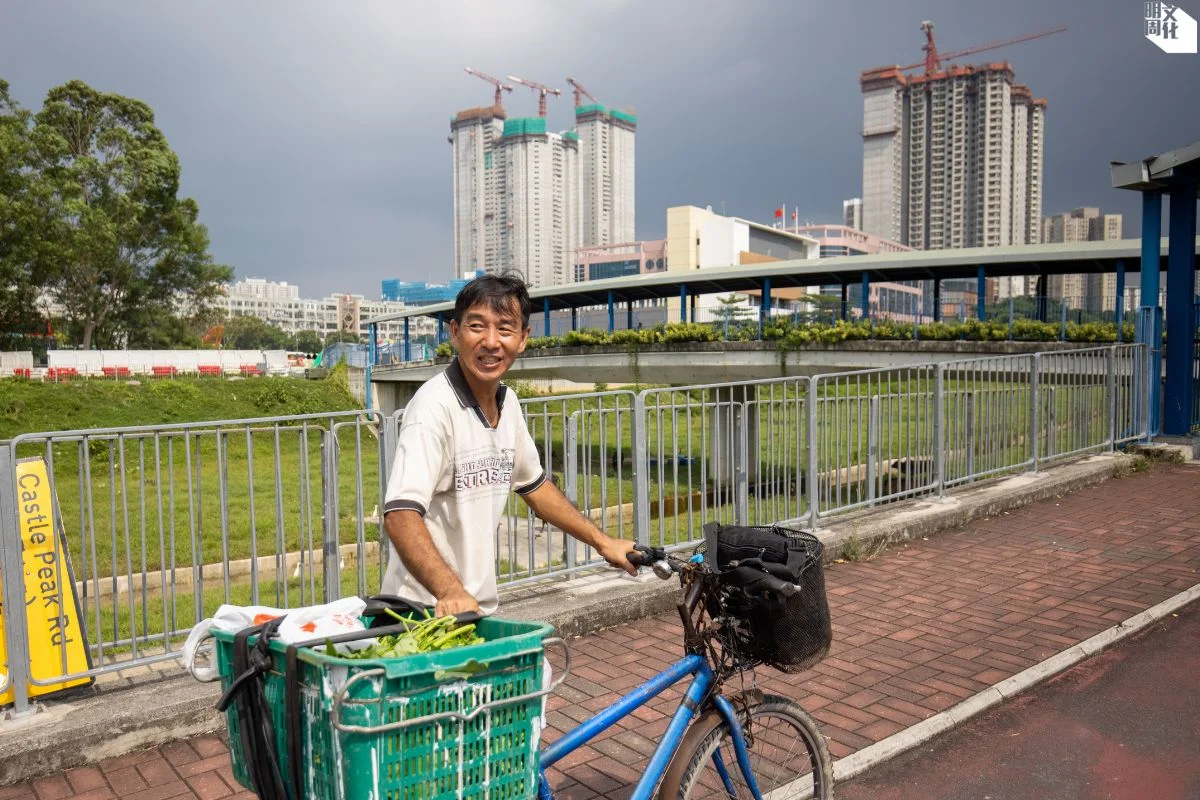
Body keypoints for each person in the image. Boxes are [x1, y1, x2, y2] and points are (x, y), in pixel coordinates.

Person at [381, 272, 638, 616]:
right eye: (476, 327)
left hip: (472, 609)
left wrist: (604, 543)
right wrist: (450, 590)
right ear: (455, 333)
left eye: (504, 329)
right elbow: (400, 514)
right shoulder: (433, 409)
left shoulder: (508, 402)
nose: (490, 342)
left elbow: (535, 487)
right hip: (423, 610)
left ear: (522, 339)